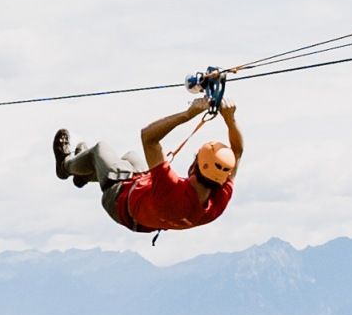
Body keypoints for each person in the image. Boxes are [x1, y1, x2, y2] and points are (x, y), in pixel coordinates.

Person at [52, 96, 243, 239]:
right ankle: (84, 174)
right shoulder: (217, 203)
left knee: (100, 149)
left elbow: (148, 137)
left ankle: (66, 165)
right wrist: (230, 120)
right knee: (130, 157)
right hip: (145, 208)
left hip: (119, 201)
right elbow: (237, 152)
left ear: (195, 167)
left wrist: (188, 114)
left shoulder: (172, 188)